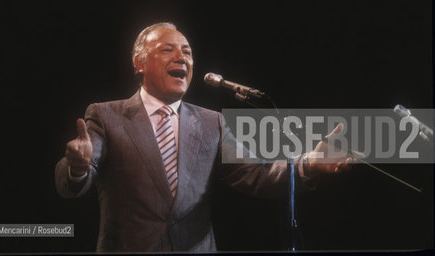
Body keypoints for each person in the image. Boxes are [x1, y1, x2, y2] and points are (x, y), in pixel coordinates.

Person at [55, 22, 351, 252]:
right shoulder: (107, 115)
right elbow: (80, 175)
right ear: (140, 63)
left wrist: (308, 163)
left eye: (187, 51)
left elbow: (257, 174)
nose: (181, 57)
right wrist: (78, 168)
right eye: (167, 50)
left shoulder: (212, 123)